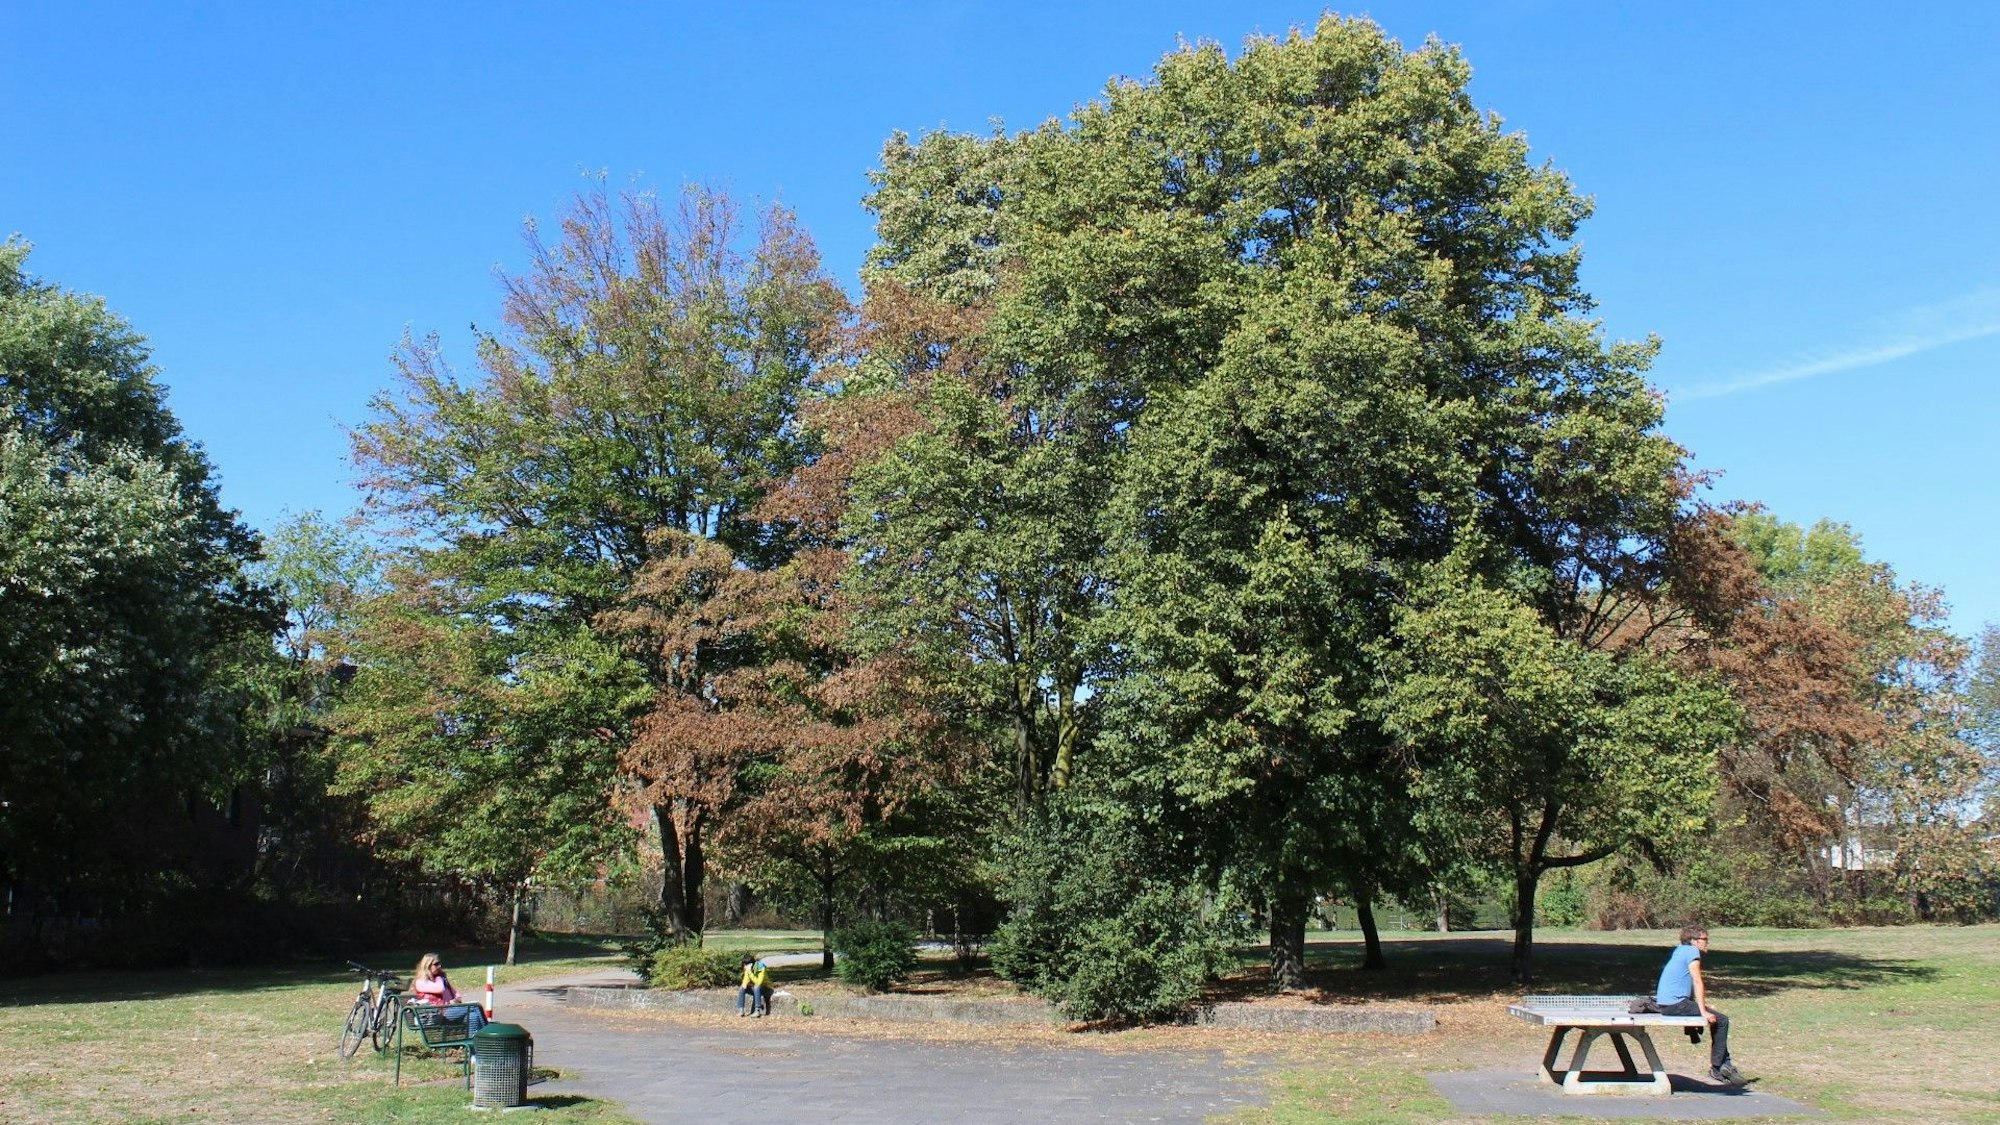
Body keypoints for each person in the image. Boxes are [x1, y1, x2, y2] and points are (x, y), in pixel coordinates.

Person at [1653, 925, 1744, 1085]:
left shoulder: (1680, 949)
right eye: (1704, 939)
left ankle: (1724, 1064)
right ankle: (1718, 1067)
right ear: (1694, 941)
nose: (1707, 942)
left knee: (1716, 1018)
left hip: (1669, 1004)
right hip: (1675, 1005)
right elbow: (1697, 981)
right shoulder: (1692, 952)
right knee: (1721, 1020)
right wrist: (1703, 1011)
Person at [410, 953, 488, 1035]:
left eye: (440, 963)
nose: (439, 966)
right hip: (440, 1015)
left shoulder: (439, 979)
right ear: (427, 966)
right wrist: (439, 977)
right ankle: (487, 1031)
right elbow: (440, 989)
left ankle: (475, 1044)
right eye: (436, 964)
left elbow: (455, 993)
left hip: (449, 1010)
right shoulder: (421, 982)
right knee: (474, 1006)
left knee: (473, 1016)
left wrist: (455, 999)